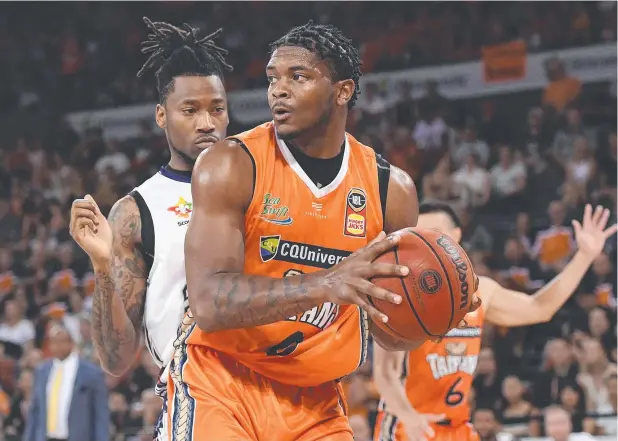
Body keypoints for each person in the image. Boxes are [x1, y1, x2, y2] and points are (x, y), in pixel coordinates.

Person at [169, 21, 480, 441]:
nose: (278, 90)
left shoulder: (390, 190)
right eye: (272, 79)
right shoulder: (231, 164)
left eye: (298, 77)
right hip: (224, 384)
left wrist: (437, 314)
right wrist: (329, 283)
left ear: (343, 91)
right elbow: (208, 304)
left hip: (317, 398)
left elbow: (391, 335)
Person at [68, 17, 232, 441]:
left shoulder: (264, 183)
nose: (207, 123)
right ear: (161, 115)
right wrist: (103, 266)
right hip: (197, 397)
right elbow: (116, 360)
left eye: (217, 108)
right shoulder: (136, 211)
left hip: (276, 391)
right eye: (190, 110)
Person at [373, 202, 617, 441]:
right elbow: (385, 373)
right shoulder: (400, 294)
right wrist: (410, 417)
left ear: (455, 236)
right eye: (419, 235)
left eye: (434, 234)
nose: (427, 243)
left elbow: (540, 308)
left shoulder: (482, 291)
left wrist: (584, 257)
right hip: (408, 424)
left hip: (458, 427)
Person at [23, 324, 109, 441]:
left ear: (71, 343)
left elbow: (100, 414)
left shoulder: (91, 373)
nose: (57, 346)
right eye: (53, 342)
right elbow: (35, 411)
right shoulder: (42, 372)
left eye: (61, 342)